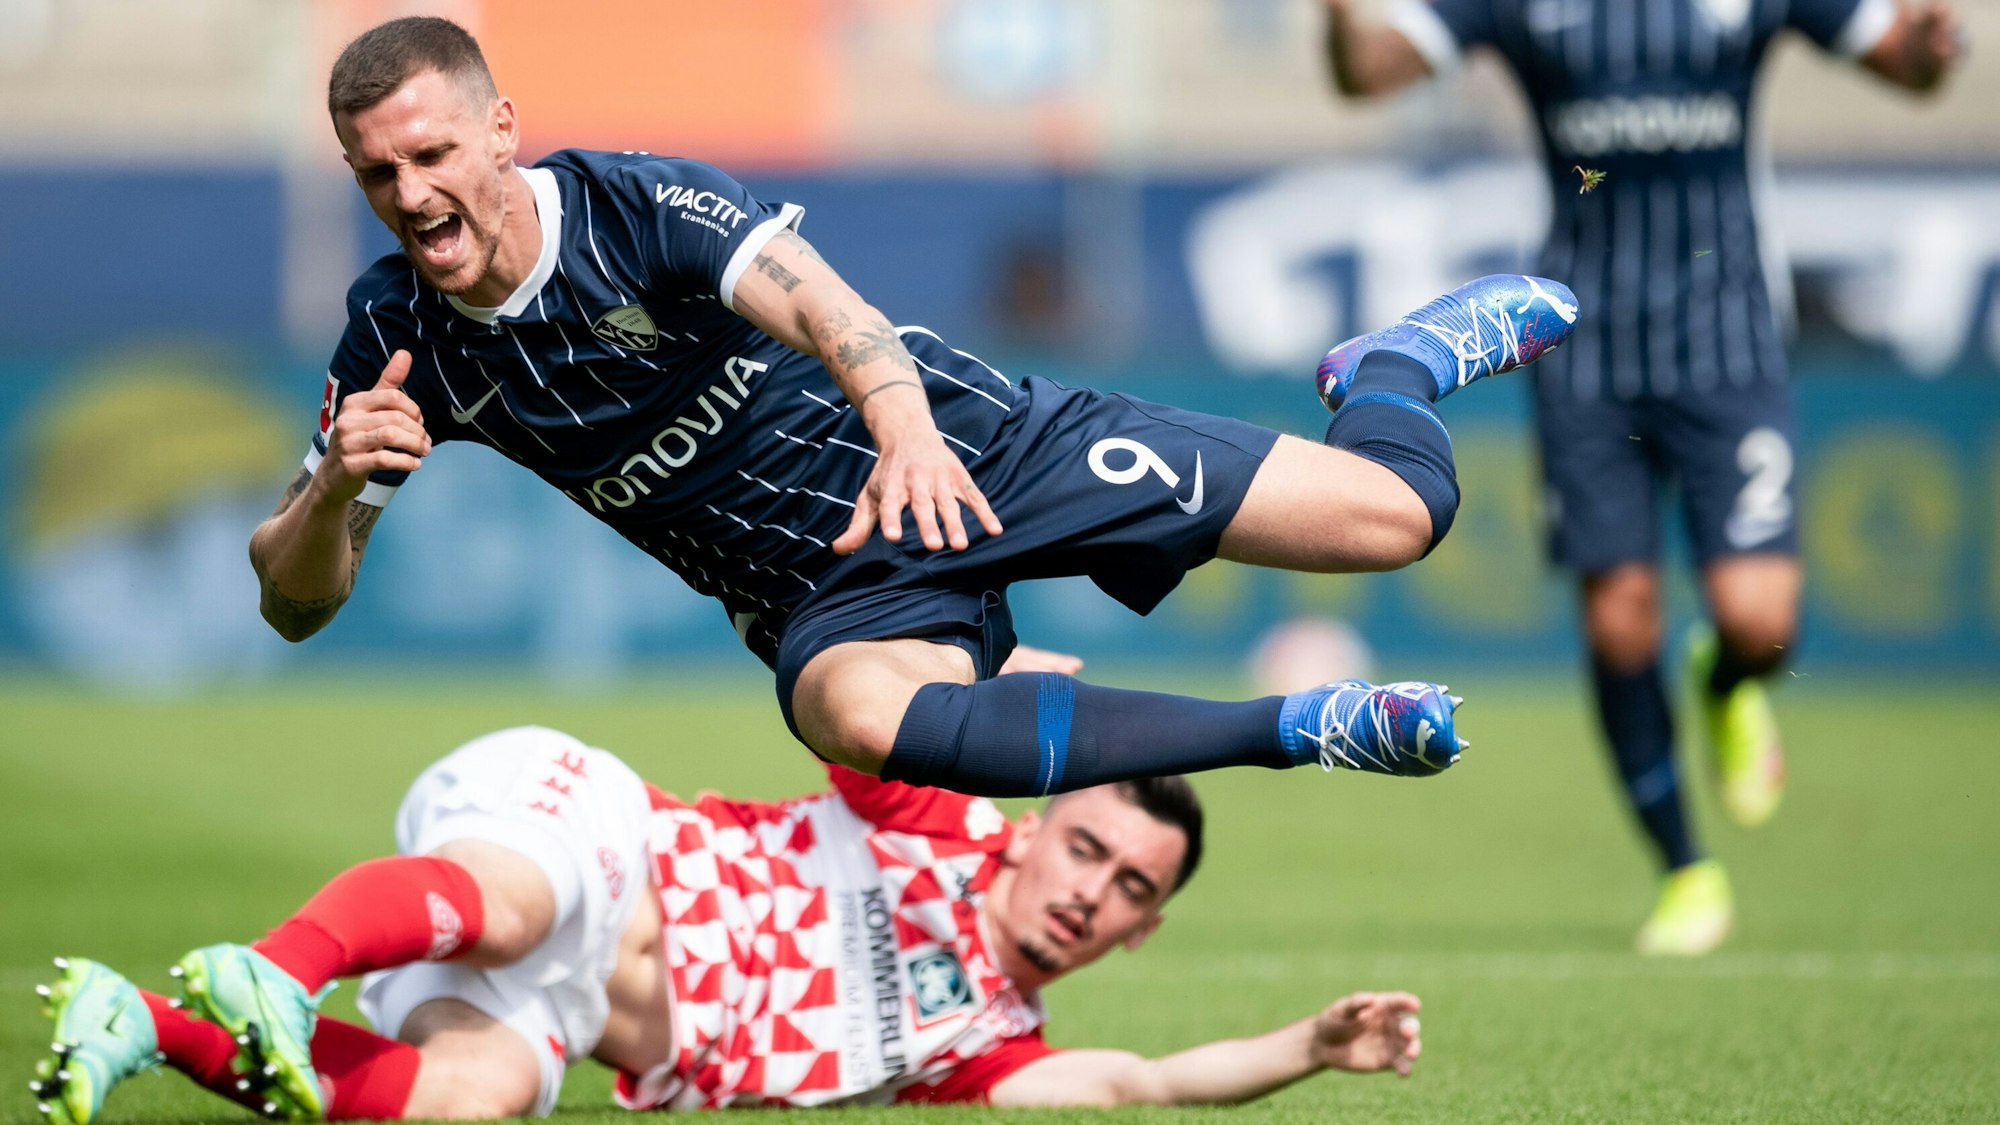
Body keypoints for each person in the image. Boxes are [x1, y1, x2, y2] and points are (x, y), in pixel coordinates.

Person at [248, 15, 1582, 801]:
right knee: (856, 718)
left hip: (981, 445)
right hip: (830, 586)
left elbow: (833, 312)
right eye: (378, 174)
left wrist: (905, 428)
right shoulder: (395, 341)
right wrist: (332, 490)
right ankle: (1301, 727)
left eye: (433, 155)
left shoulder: (634, 205)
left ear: (500, 132)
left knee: (1401, 517)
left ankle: (1392, 370)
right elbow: (293, 601)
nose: (414, 195)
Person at [1322, 0, 1962, 953]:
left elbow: (1911, 69)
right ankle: (1685, 870)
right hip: (1582, 353)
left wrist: (1934, 38)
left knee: (1759, 620)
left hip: (1729, 344)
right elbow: (1365, 72)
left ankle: (1725, 678)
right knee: (1619, 613)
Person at [31, 718, 1424, 1122]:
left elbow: (1145, 1082)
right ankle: (277, 970)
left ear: (1139, 937)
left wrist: (1312, 1042)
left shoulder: (981, 1045)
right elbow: (865, 697)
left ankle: (138, 1020)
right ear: (1041, 820)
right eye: (1089, 848)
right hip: (588, 830)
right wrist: (1010, 697)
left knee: (472, 1102)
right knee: (515, 908)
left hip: (567, 1017)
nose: (1089, 891)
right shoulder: (940, 813)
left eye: (1132, 892)